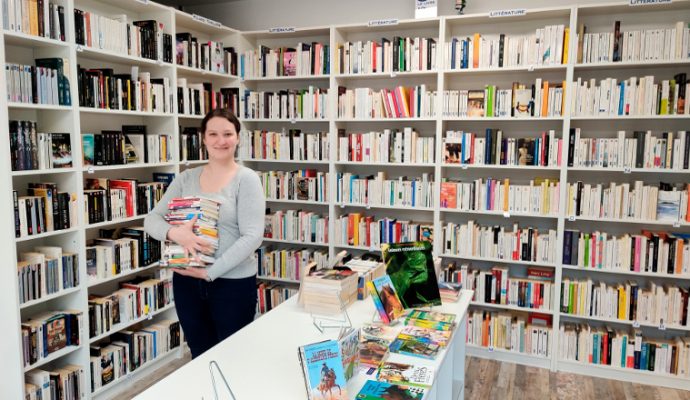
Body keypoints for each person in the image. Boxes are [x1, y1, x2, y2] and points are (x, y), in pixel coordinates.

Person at [144, 109, 265, 358]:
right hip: (187, 282)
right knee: (201, 356)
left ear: (238, 137)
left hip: (232, 284)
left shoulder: (247, 179)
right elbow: (151, 220)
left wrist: (210, 272)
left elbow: (253, 236)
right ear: (203, 138)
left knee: (233, 358)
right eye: (213, 134)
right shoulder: (185, 178)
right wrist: (177, 234)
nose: (221, 140)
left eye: (228, 134)